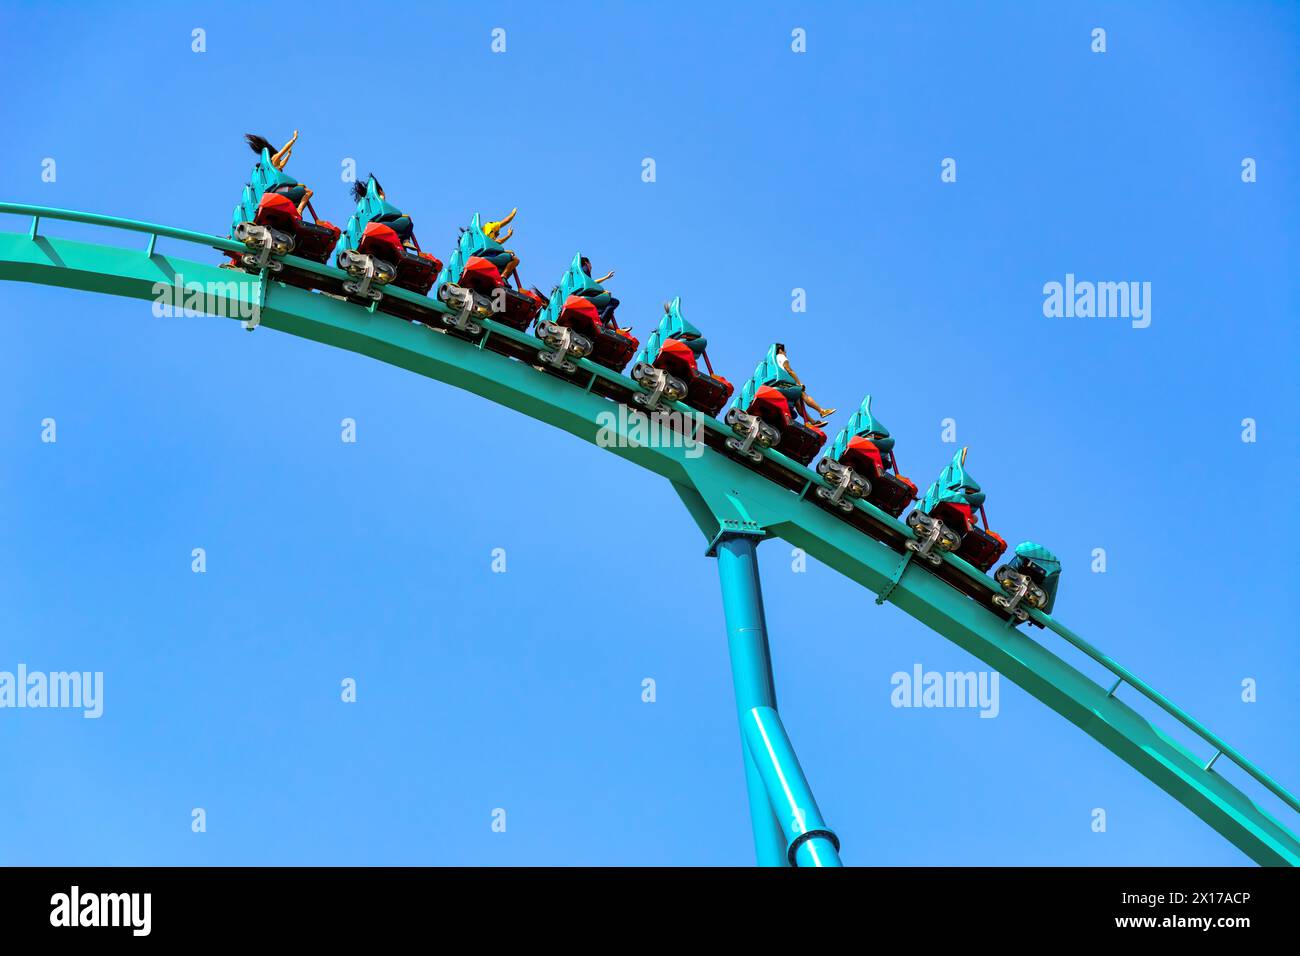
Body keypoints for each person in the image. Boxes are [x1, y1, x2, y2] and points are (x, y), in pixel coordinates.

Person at [245, 131, 321, 220]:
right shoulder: (274, 160)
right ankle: (299, 210)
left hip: (275, 192)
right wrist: (294, 139)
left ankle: (293, 210)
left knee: (299, 189)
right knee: (308, 192)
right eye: (280, 159)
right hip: (280, 192)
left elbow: (283, 163)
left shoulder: (268, 169)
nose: (281, 162)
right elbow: (284, 149)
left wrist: (289, 154)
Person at [772, 343, 835, 428]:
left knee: (798, 403)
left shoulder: (772, 361)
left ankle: (812, 422)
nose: (785, 353)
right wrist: (799, 383)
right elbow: (789, 370)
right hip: (784, 385)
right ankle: (822, 411)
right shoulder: (781, 356)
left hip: (778, 385)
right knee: (802, 393)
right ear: (780, 350)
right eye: (785, 352)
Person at [579, 257, 631, 336]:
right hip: (586, 298)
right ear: (586, 263)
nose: (591, 266)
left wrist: (606, 277)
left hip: (583, 297)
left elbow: (592, 283)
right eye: (590, 263)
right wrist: (603, 292)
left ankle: (616, 328)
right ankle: (601, 322)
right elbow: (590, 286)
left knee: (606, 310)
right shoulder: (585, 269)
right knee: (613, 302)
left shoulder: (580, 274)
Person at [481, 209, 523, 289]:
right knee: (515, 259)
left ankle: (500, 278)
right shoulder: (489, 227)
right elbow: (505, 221)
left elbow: (497, 244)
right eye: (498, 232)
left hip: (489, 256)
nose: (499, 234)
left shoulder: (484, 237)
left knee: (509, 256)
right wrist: (512, 214)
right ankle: (503, 277)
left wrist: (508, 249)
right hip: (489, 258)